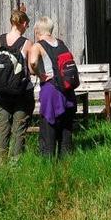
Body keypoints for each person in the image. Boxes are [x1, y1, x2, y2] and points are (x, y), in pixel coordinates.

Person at [29, 16, 77, 159]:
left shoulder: (37, 46)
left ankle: (47, 160)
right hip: (67, 90)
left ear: (37, 30)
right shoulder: (61, 44)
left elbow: (32, 64)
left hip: (51, 91)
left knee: (48, 126)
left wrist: (40, 74)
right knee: (66, 127)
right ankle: (66, 159)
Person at [0, 8, 35, 164]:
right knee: (19, 128)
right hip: (21, 93)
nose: (27, 27)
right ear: (23, 23)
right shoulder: (27, 43)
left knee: (2, 127)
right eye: (27, 25)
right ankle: (15, 164)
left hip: (2, 92)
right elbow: (31, 69)